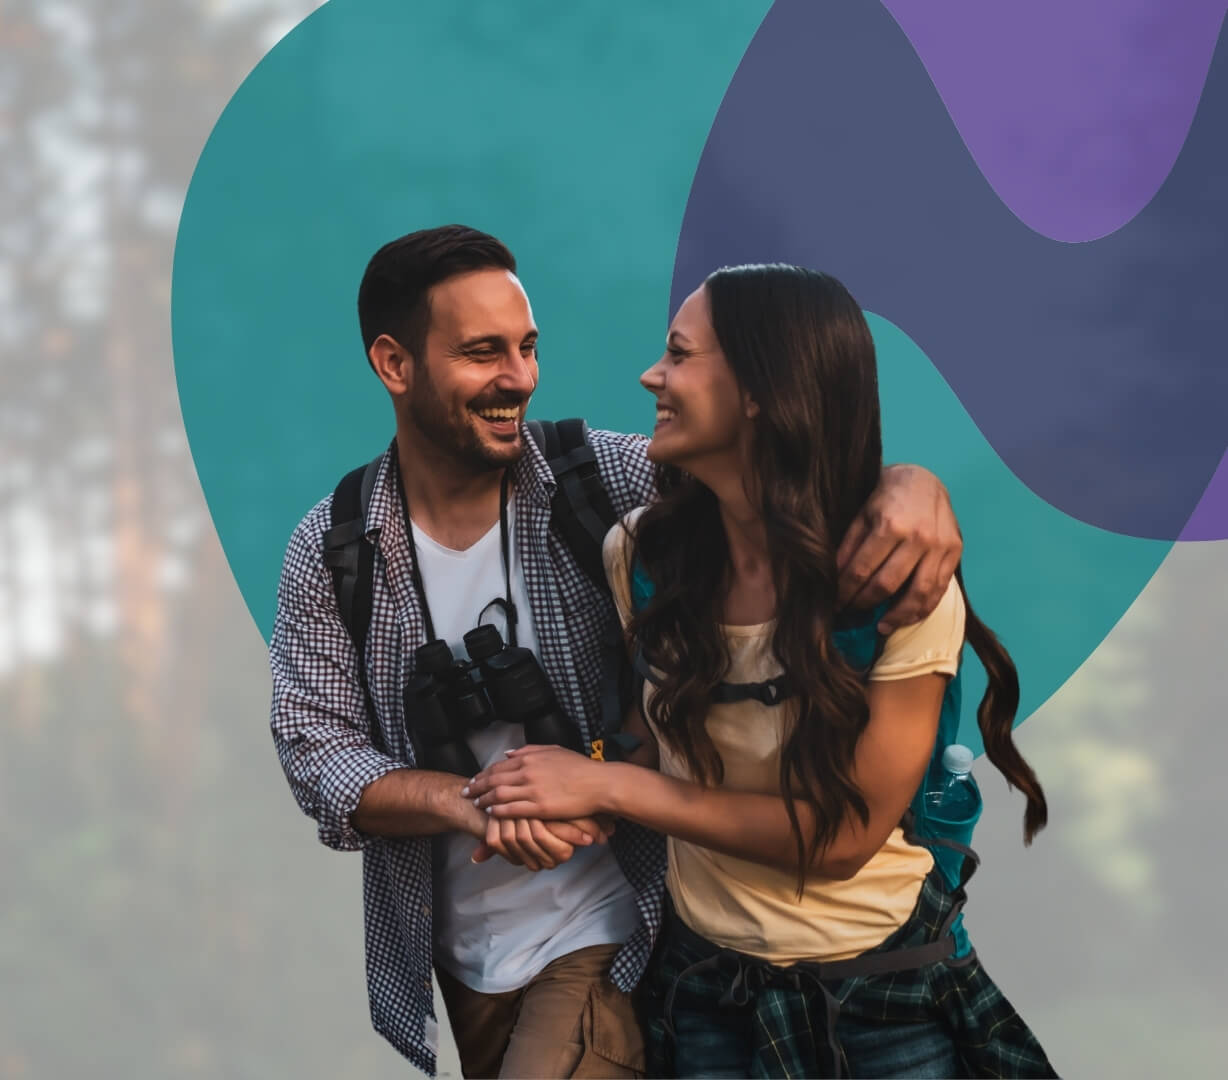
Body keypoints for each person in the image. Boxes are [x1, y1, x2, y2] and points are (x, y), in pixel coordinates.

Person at [269, 228, 965, 1078]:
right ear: (394, 364)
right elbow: (315, 749)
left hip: (615, 928)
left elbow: (780, 467)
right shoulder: (336, 546)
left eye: (527, 348)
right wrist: (468, 801)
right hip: (458, 955)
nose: (518, 378)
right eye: (483, 353)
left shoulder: (601, 481)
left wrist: (914, 486)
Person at [466, 263, 1057, 1077]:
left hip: (884, 1001)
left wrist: (607, 788)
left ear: (758, 389)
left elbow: (842, 838)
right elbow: (647, 741)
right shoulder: (640, 553)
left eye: (679, 355)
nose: (652, 375)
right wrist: (549, 795)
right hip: (706, 993)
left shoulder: (899, 585)